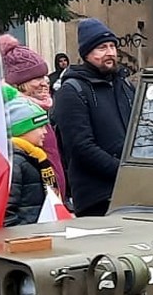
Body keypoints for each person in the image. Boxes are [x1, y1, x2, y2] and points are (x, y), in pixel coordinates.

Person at [51, 20, 141, 216]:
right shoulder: (72, 91)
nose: (109, 52)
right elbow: (81, 147)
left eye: (112, 46)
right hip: (98, 199)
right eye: (101, 48)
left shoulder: (125, 86)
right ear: (86, 54)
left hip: (134, 191)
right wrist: (125, 171)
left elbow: (142, 131)